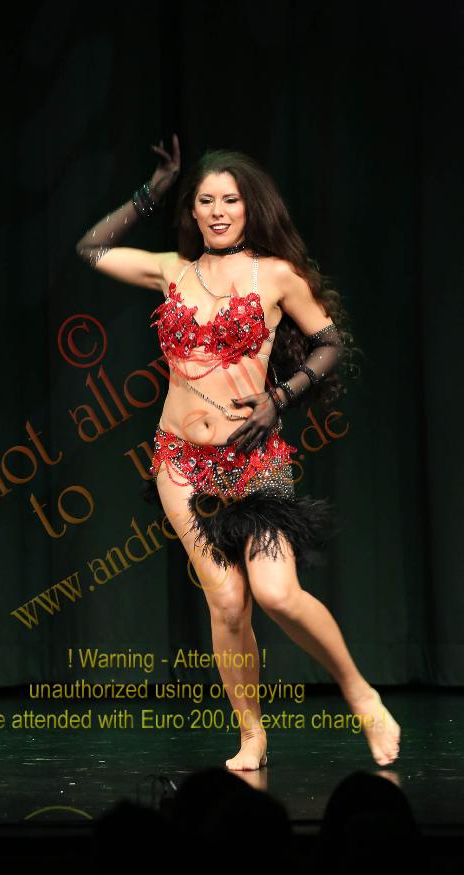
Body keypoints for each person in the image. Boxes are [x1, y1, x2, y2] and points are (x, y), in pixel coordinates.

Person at [75, 134, 401, 771]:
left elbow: (330, 343)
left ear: (250, 207)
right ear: (192, 210)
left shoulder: (275, 275)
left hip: (253, 458)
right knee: (225, 602)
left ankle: (362, 695)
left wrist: (282, 396)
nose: (218, 211)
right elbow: (92, 249)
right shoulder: (173, 270)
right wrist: (151, 192)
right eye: (205, 200)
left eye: (230, 200)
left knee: (275, 594)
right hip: (179, 461)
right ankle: (252, 734)